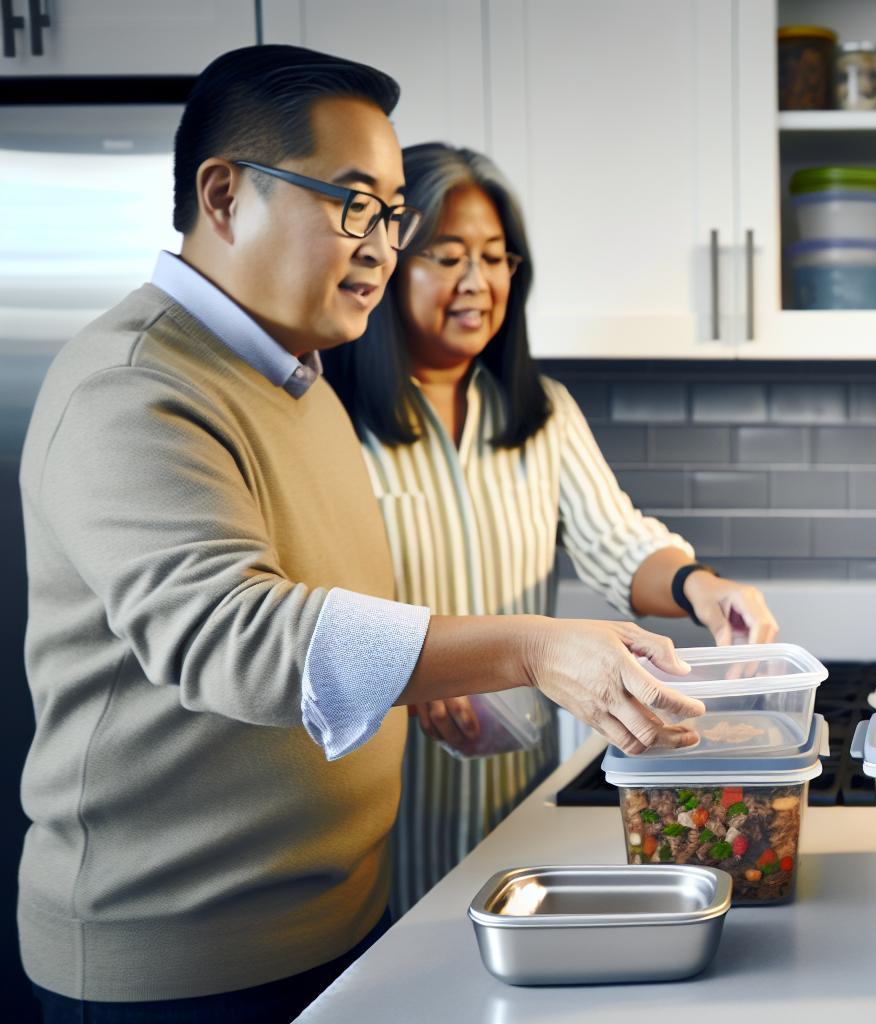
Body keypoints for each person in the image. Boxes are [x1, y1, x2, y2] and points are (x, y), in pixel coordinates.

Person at [17, 46, 703, 1021]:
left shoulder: (297, 384)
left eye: (391, 215)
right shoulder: (133, 386)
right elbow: (236, 636)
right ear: (224, 196)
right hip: (182, 963)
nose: (380, 244)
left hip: (336, 920)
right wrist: (528, 644)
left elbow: (332, 622)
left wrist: (422, 692)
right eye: (353, 205)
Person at [321, 143, 779, 912]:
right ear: (390, 261)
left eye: (497, 258)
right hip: (375, 804)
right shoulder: (329, 418)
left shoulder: (540, 414)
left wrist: (702, 587)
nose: (478, 282)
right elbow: (311, 603)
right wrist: (408, 667)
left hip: (512, 789)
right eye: (448, 256)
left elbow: (617, 541)